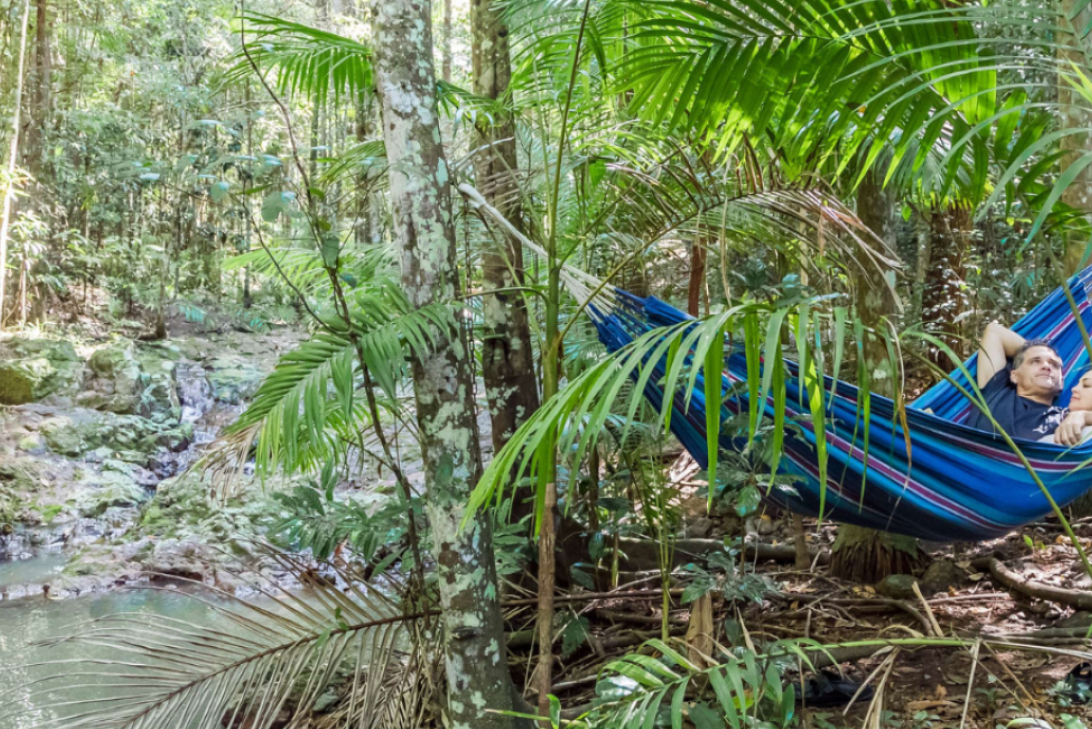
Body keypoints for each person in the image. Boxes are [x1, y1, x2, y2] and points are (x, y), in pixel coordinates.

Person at [966, 321, 1069, 441]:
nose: (1046, 366)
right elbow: (994, 331)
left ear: (1062, 382)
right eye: (1035, 361)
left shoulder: (1065, 418)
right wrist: (1032, 349)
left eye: (1054, 364)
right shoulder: (996, 392)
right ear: (1014, 376)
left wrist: (1081, 417)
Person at [1042, 368, 1092, 446]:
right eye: (1078, 384)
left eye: (1086, 385)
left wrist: (1086, 416)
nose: (1074, 389)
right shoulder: (1051, 415)